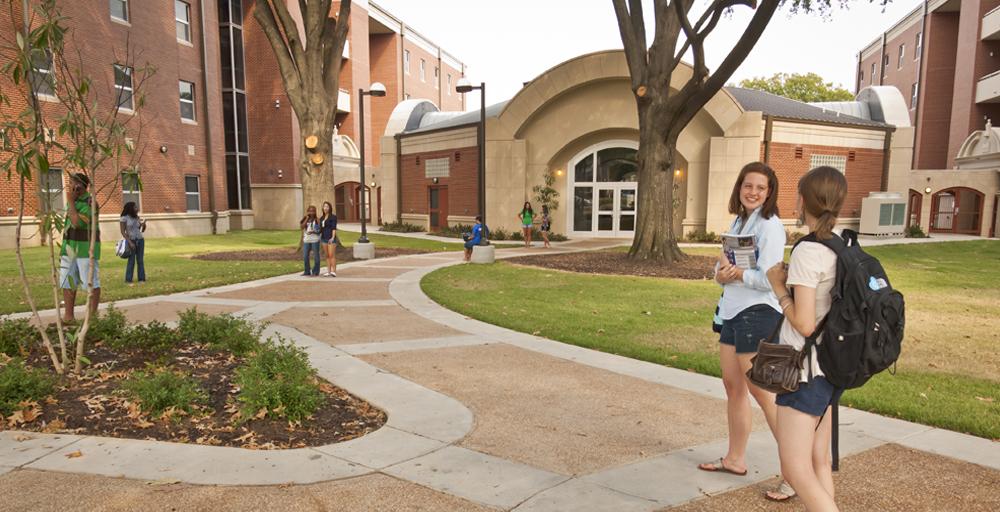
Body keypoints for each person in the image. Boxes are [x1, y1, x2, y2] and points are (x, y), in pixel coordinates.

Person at [698, 162, 792, 498]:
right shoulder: (739, 221)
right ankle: (735, 458)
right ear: (739, 188)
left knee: (763, 394)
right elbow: (724, 264)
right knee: (732, 386)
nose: (752, 192)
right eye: (747, 185)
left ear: (770, 193)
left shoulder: (770, 226)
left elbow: (770, 277)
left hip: (758, 313)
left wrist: (737, 275)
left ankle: (796, 472)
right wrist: (720, 274)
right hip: (733, 311)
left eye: (760, 188)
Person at [765, 166, 848, 512]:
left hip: (803, 372)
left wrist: (778, 287)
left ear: (803, 200)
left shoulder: (808, 251)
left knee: (795, 468)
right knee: (818, 461)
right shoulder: (841, 243)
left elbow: (803, 323)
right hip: (829, 367)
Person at [60, 173, 100, 323]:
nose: (70, 187)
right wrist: (72, 202)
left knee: (91, 282)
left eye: (72, 183)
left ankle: (92, 318)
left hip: (86, 249)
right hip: (69, 248)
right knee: (67, 281)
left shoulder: (91, 202)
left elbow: (77, 223)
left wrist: (70, 201)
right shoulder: (74, 201)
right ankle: (68, 317)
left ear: (81, 186)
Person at [119, 201, 147, 284]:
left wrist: (144, 225)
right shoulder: (124, 218)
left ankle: (141, 279)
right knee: (131, 260)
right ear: (130, 208)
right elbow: (122, 232)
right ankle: (128, 280)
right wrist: (130, 242)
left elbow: (142, 230)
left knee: (140, 260)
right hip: (131, 240)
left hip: (140, 240)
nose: (137, 208)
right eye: (135, 207)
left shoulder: (137, 217)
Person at [300, 205, 321, 277]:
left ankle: (315, 271)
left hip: (315, 240)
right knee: (305, 256)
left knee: (316, 257)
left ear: (315, 212)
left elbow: (319, 231)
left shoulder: (317, 220)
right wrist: (307, 218)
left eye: (313, 211)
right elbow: (302, 227)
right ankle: (307, 271)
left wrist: (314, 232)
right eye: (310, 211)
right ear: (308, 211)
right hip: (306, 240)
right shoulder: (305, 219)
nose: (311, 212)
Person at [319, 201, 338, 277]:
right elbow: (321, 229)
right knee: (327, 255)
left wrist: (333, 237)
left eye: (327, 206)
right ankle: (328, 271)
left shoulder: (333, 217)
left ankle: (334, 271)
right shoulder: (322, 218)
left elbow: (334, 228)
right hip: (324, 238)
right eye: (324, 206)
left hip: (331, 238)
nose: (325, 208)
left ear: (330, 208)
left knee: (331, 255)